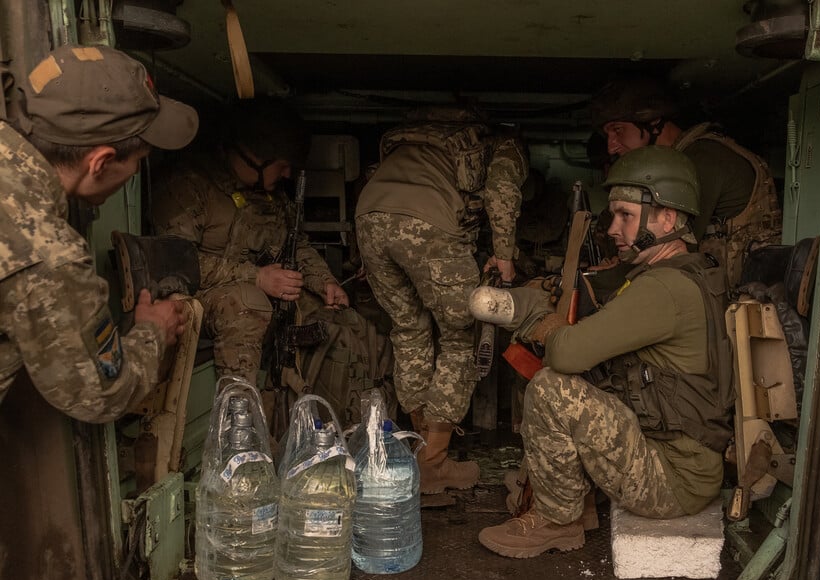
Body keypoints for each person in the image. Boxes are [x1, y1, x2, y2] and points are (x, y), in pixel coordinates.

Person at [474, 146, 733, 558]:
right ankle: (572, 500)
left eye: (626, 216)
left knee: (552, 386)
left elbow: (567, 355)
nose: (613, 228)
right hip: (682, 459)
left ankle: (558, 520)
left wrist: (545, 324)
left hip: (673, 481)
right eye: (613, 216)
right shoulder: (686, 273)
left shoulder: (663, 288)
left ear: (667, 217)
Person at [152, 100, 389, 430]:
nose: (287, 173)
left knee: (337, 319)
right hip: (200, 298)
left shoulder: (269, 197)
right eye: (282, 165)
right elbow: (175, 262)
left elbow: (295, 245)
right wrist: (257, 277)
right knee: (247, 303)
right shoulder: (189, 186)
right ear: (255, 156)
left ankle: (332, 424)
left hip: (261, 290)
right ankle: (240, 430)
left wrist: (324, 282)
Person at [0, 44, 196, 422]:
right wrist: (153, 332)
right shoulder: (47, 255)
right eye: (138, 162)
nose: (135, 174)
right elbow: (102, 393)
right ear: (101, 161)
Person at [355, 106, 528, 494]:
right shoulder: (502, 143)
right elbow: (501, 188)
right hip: (430, 227)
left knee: (409, 329)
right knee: (459, 337)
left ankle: (417, 446)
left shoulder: (413, 137)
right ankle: (433, 465)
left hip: (369, 219)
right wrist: (504, 256)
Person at [589, 76, 782, 286]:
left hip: (736, 299)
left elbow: (673, 248)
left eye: (619, 130)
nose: (611, 147)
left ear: (653, 123)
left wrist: (609, 277)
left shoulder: (702, 161)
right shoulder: (682, 159)